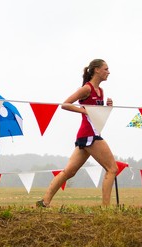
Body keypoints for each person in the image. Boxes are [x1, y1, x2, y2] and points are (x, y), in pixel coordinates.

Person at [38, 59, 119, 207]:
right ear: (96, 70)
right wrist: (82, 110)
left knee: (69, 171)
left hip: (89, 134)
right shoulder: (86, 89)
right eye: (106, 69)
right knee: (112, 169)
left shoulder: (100, 91)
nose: (109, 72)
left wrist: (108, 108)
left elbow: (96, 115)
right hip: (89, 135)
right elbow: (65, 104)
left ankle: (44, 202)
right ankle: (106, 208)